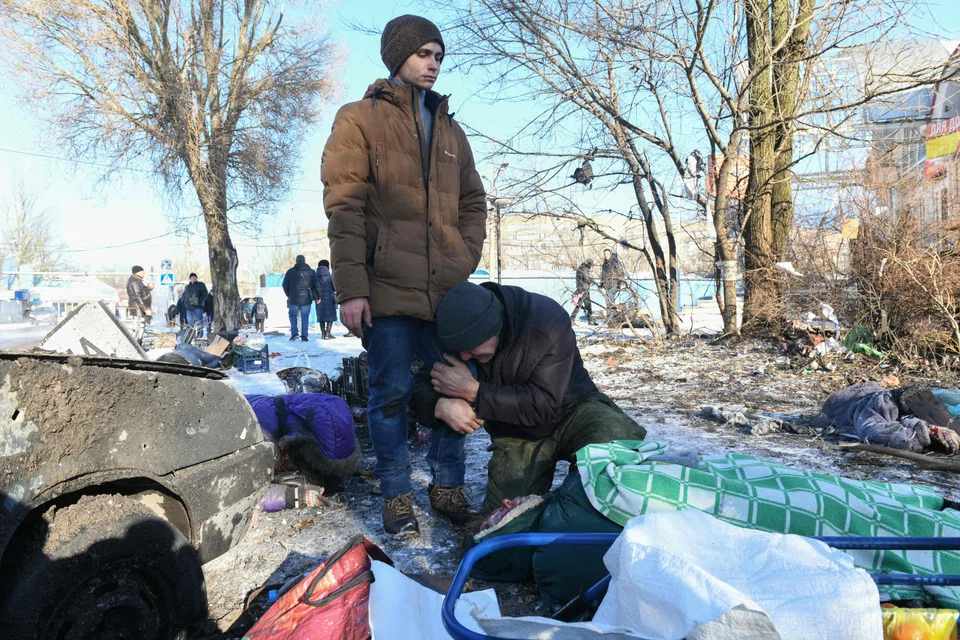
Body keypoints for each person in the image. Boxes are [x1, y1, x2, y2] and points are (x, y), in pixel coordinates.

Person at [322, 15, 488, 535]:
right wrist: (351, 289)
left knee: (458, 388)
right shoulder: (359, 119)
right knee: (390, 393)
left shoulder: (451, 129)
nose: (433, 63)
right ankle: (396, 495)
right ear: (397, 56)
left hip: (446, 293)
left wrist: (464, 255)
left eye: (438, 54)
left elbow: (473, 201)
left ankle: (447, 485)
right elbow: (344, 207)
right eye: (423, 53)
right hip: (387, 290)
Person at [412, 281, 647, 515]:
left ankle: (581, 505)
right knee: (501, 525)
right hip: (516, 432)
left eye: (472, 348)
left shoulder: (547, 321)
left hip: (575, 411)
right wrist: (440, 406)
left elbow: (544, 404)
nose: (464, 356)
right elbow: (418, 386)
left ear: (496, 327)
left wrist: (475, 392)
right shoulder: (460, 328)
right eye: (459, 349)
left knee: (616, 440)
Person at [282, 255, 321, 342]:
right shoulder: (311, 272)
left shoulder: (290, 272)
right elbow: (317, 285)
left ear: (296, 261)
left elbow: (284, 285)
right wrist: (318, 297)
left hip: (293, 299)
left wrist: (289, 294)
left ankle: (294, 333)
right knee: (305, 317)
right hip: (307, 299)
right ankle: (304, 336)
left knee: (292, 315)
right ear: (304, 261)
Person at [125, 265, 154, 344]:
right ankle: (135, 347)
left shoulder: (137, 280)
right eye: (142, 271)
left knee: (140, 328)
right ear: (137, 272)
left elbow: (142, 292)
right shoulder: (134, 281)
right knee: (138, 328)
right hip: (138, 309)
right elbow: (137, 296)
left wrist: (148, 288)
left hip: (139, 308)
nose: (144, 273)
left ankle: (138, 346)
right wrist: (145, 309)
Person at [316, 260, 337, 340]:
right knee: (330, 315)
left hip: (319, 299)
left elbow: (313, 288)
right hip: (329, 298)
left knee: (321, 316)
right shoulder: (330, 276)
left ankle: (323, 334)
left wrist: (316, 297)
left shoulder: (315, 276)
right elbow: (335, 287)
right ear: (327, 266)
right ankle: (328, 333)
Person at [570, 259, 596, 324]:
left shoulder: (580, 268)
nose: (591, 267)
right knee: (588, 305)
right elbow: (586, 279)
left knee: (579, 305)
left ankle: (571, 319)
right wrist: (592, 280)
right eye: (591, 265)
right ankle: (590, 320)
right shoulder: (585, 269)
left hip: (580, 289)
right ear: (589, 264)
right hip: (584, 289)